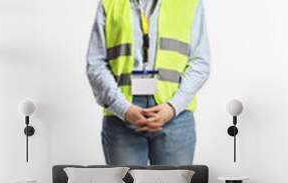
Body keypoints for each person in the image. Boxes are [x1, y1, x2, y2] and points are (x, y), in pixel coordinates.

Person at [87, 0, 210, 166]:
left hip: (175, 116)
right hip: (121, 115)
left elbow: (200, 62)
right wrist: (123, 108)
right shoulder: (110, 3)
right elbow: (95, 64)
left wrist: (173, 106)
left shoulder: (190, 3)